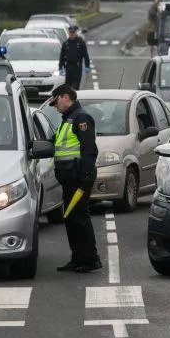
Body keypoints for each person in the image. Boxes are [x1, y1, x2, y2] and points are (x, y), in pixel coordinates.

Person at [48, 84, 102, 273]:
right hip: (68, 178)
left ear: (65, 97)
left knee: (79, 218)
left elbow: (89, 150)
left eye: (56, 102)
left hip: (78, 177)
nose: (55, 106)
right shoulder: (68, 119)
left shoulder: (81, 118)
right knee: (72, 219)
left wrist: (86, 175)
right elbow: (55, 143)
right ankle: (78, 258)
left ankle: (90, 259)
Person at [59, 25, 91, 90]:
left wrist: (87, 66)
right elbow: (61, 56)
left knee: (76, 86)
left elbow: (85, 55)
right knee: (67, 86)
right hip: (68, 66)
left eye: (73, 32)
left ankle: (75, 99)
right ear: (69, 33)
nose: (72, 34)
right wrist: (60, 67)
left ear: (76, 33)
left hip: (77, 67)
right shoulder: (65, 44)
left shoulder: (81, 43)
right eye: (71, 33)